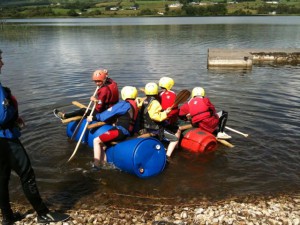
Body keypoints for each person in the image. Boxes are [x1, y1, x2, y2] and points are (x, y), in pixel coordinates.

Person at [0, 49, 69, 225]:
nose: (2, 63)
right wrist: (12, 118)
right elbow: (1, 116)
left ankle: (7, 217)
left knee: (2, 177)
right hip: (6, 140)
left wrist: (13, 115)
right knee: (27, 173)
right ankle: (43, 213)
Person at [87, 86, 139, 170]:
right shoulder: (135, 105)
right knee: (102, 145)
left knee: (96, 141)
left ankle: (96, 166)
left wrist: (93, 118)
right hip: (128, 132)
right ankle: (104, 164)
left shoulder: (124, 104)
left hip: (120, 131)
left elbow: (107, 114)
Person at [54, 68, 119, 120]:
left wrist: (94, 100)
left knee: (83, 110)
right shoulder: (112, 83)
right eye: (95, 81)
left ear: (104, 79)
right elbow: (108, 80)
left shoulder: (103, 90)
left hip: (105, 113)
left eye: (99, 81)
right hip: (113, 109)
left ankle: (64, 116)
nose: (97, 83)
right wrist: (105, 74)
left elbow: (99, 108)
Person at [138, 82, 180, 158]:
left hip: (145, 127)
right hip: (155, 129)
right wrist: (165, 113)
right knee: (175, 139)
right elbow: (155, 116)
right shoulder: (155, 102)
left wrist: (165, 111)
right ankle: (167, 156)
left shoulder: (144, 101)